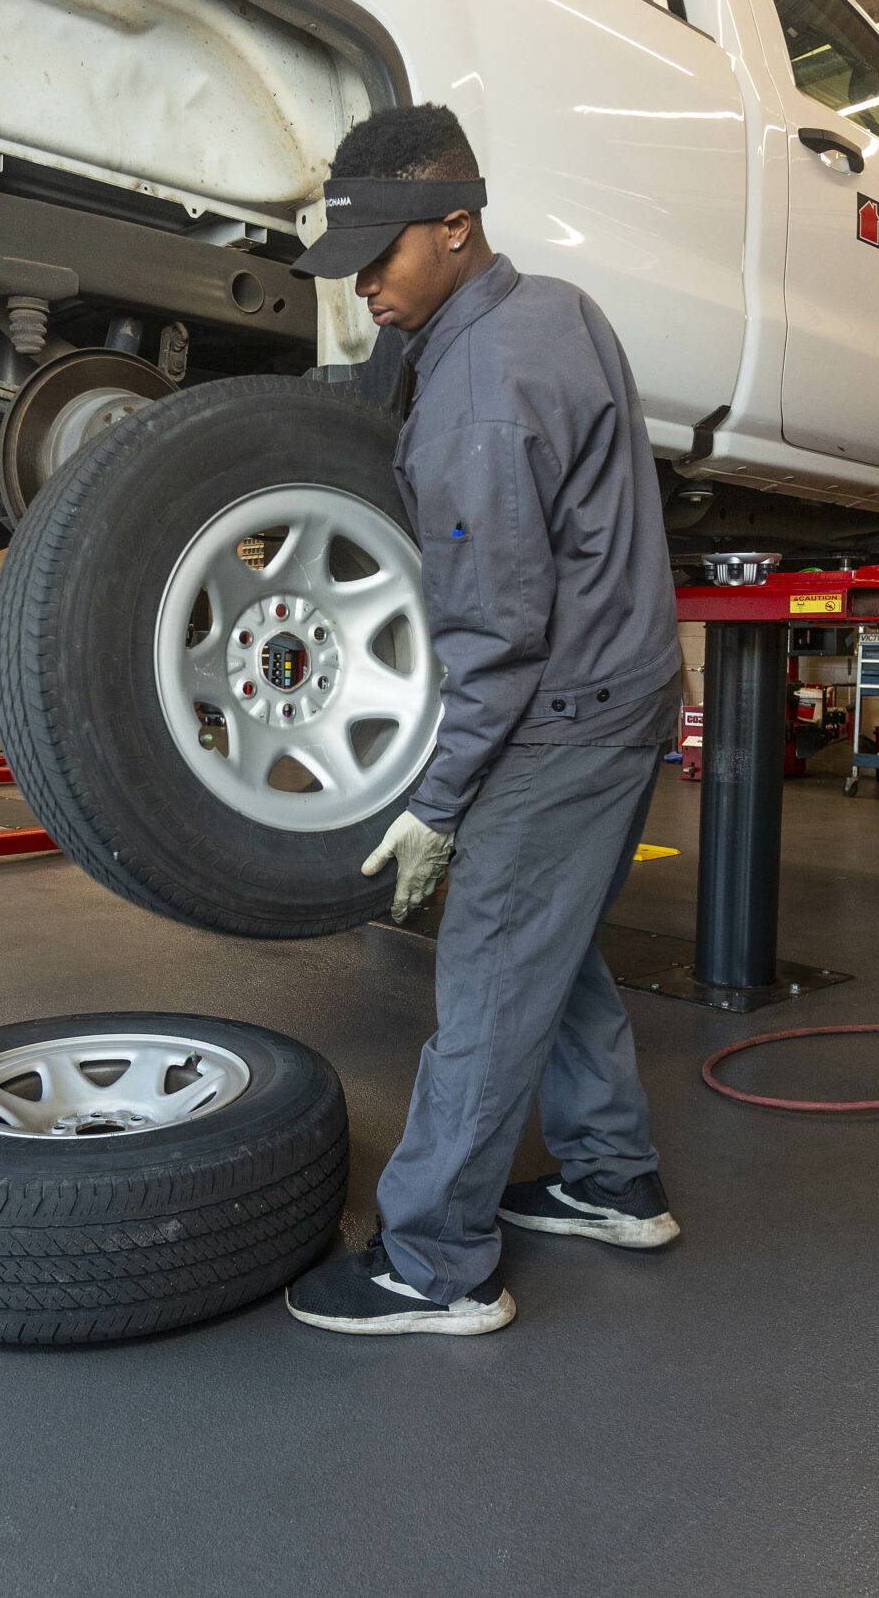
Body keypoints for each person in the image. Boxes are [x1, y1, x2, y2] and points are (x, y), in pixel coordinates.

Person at [282, 104, 684, 1338]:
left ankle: (435, 1263)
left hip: (557, 716)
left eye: (379, 259)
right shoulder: (558, 310)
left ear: (454, 225)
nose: (362, 291)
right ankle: (615, 1182)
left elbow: (495, 638)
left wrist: (437, 807)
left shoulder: (474, 398)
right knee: (551, 947)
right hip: (629, 686)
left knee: (493, 966)